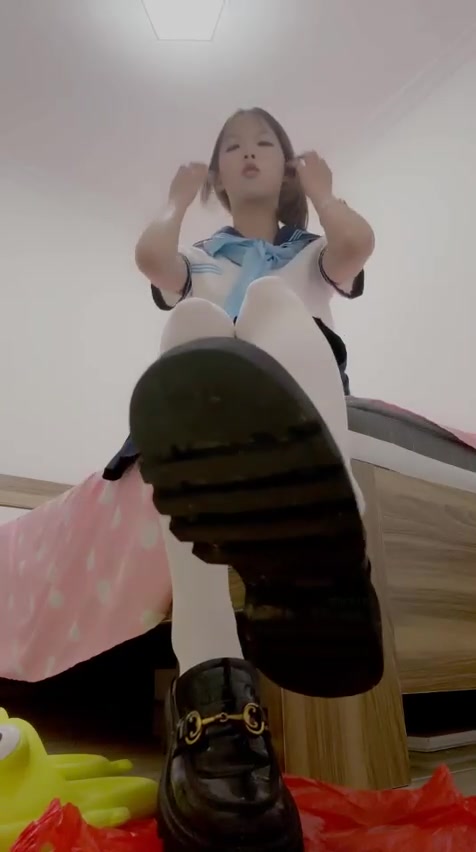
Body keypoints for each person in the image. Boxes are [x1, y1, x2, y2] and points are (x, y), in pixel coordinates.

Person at [130, 107, 383, 851]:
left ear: (287, 166)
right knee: (191, 324)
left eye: (265, 143)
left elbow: (357, 244)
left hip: (299, 380)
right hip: (210, 403)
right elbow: (152, 259)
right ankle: (217, 682)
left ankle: (327, 558)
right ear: (217, 173)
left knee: (277, 303)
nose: (248, 153)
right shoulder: (202, 255)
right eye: (233, 147)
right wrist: (178, 200)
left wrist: (323, 191)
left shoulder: (312, 251)